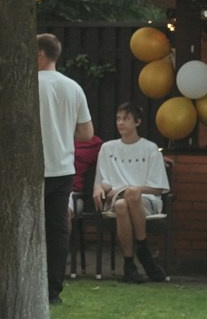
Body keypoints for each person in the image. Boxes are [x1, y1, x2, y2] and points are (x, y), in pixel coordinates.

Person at [36, 33, 95, 303]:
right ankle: (53, 289)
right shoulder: (73, 87)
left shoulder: (31, 84)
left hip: (35, 167)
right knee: (58, 228)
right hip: (63, 167)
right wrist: (62, 129)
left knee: (28, 227)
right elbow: (86, 133)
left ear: (40, 54)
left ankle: (27, 281)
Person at [94, 103, 171, 283]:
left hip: (146, 202)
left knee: (131, 195)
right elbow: (104, 181)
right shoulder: (107, 148)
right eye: (118, 119)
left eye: (126, 119)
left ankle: (133, 260)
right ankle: (139, 254)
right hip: (117, 200)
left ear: (137, 122)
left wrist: (127, 190)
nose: (121, 123)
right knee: (121, 203)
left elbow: (158, 188)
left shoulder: (151, 148)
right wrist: (98, 188)